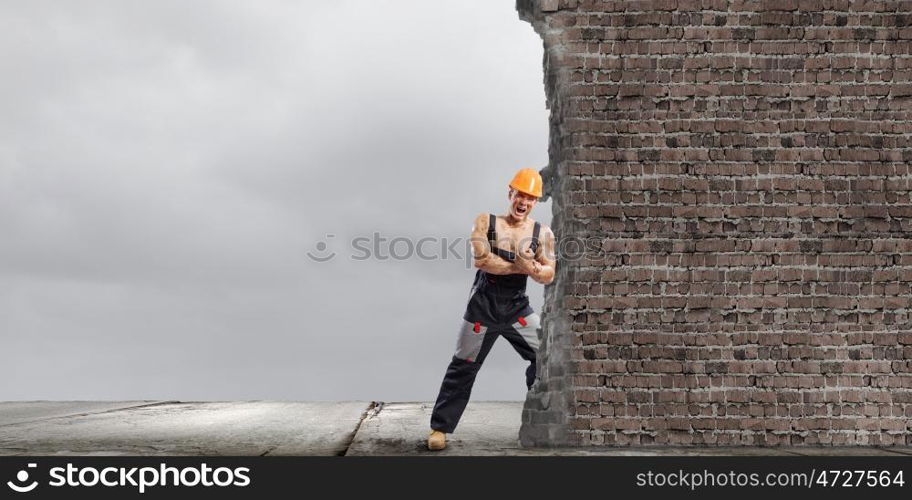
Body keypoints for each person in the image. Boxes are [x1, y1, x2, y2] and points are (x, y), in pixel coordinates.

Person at [427, 168, 556, 451]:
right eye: (520, 194)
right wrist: (521, 265)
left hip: (516, 308)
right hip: (482, 307)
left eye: (530, 198)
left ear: (535, 202)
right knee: (462, 366)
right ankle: (440, 428)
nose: (523, 201)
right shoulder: (487, 222)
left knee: (545, 357)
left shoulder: (541, 233)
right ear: (510, 193)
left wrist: (532, 267)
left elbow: (548, 273)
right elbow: (482, 260)